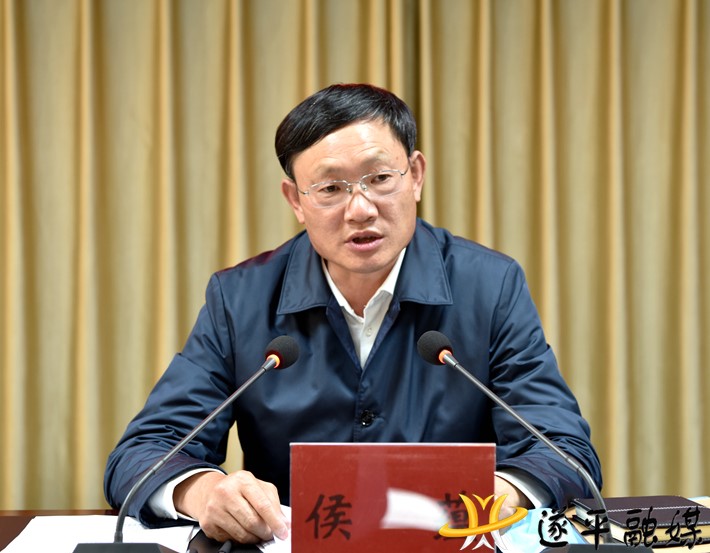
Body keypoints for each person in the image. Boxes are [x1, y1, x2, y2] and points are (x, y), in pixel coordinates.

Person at [104, 83, 602, 545]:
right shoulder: (240, 299)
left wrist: (501, 493)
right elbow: (144, 450)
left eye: (380, 178)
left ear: (416, 176)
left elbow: (563, 448)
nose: (360, 209)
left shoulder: (489, 286)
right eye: (330, 189)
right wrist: (204, 492)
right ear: (296, 200)